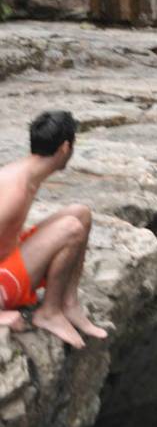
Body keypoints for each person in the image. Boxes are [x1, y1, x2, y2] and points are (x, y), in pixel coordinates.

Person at [0, 111, 108, 348]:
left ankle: (68, 304)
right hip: (3, 284)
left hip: (9, 261)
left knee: (81, 214)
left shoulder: (24, 172)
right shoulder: (15, 190)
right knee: (71, 228)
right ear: (65, 148)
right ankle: (48, 312)